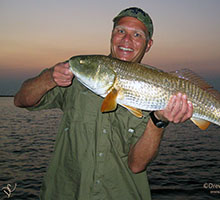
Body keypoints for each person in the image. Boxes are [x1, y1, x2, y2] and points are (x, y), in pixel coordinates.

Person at [14, 7, 193, 200]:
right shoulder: (80, 74)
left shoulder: (154, 90)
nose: (126, 40)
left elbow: (137, 165)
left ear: (148, 45)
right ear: (112, 35)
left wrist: (158, 120)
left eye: (137, 35)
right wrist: (49, 77)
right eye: (121, 31)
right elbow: (21, 100)